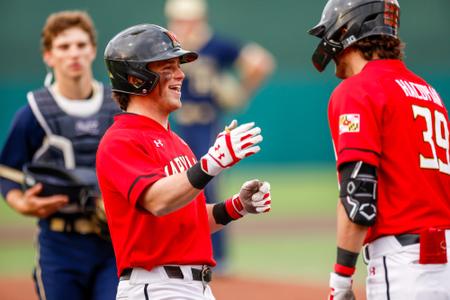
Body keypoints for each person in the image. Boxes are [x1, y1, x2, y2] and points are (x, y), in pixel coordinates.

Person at [98, 23, 272, 300]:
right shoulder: (121, 139)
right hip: (155, 287)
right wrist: (210, 163)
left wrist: (236, 206)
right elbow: (157, 201)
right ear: (135, 79)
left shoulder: (176, 142)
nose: (180, 75)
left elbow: (187, 218)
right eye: (167, 68)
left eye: (178, 66)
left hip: (192, 286)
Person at [308, 0, 450, 299]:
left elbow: (358, 195)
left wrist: (342, 277)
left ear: (346, 29)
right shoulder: (428, 92)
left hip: (404, 265)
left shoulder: (357, 90)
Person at [0, 11, 120, 300]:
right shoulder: (34, 113)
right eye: (64, 47)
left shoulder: (117, 107)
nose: (74, 54)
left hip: (113, 244)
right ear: (48, 56)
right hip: (59, 245)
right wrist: (23, 204)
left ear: (93, 50)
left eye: (81, 45)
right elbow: (7, 173)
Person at [164, 0, 275, 272]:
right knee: (174, 183)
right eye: (179, 19)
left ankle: (217, 255)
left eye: (187, 19)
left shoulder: (216, 45)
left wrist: (240, 91)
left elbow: (261, 62)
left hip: (204, 122)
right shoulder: (169, 46)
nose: (183, 25)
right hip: (176, 122)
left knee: (205, 184)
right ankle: (182, 248)